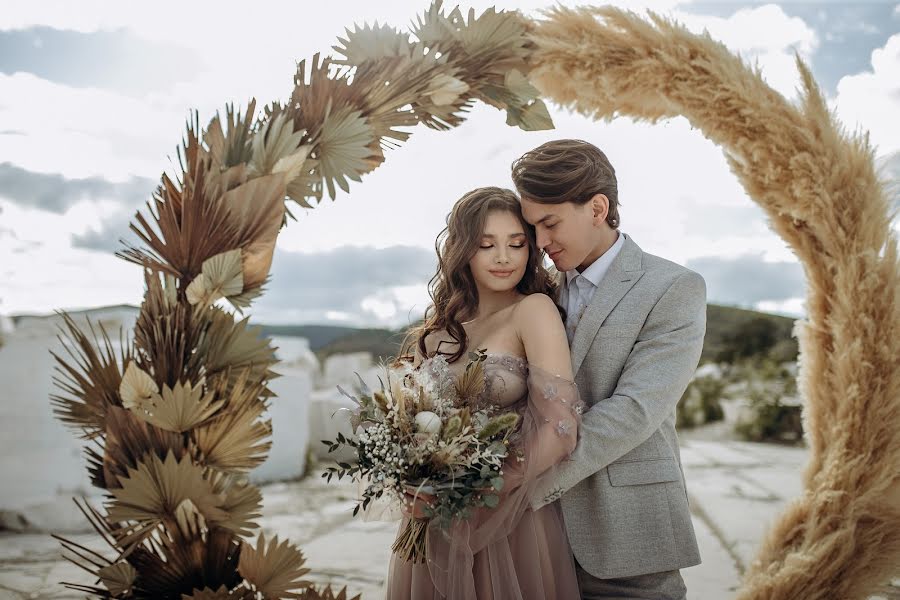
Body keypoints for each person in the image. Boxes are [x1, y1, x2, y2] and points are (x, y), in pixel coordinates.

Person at [512, 139, 705, 600]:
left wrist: (519, 477)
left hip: (628, 530)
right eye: (531, 226)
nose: (539, 242)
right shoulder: (533, 292)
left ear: (597, 207)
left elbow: (636, 410)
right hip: (531, 540)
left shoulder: (673, 287)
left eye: (550, 223)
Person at [387, 186, 584, 599]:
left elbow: (562, 427)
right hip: (433, 519)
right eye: (486, 244)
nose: (503, 257)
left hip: (507, 515)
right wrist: (411, 479)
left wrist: (482, 488)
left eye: (517, 244)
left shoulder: (533, 310)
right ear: (463, 250)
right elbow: (411, 425)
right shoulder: (439, 329)